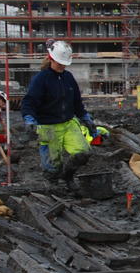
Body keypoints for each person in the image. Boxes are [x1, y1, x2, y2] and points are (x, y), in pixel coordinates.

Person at [20, 39, 94, 183]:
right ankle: (54, 187)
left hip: (68, 124)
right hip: (48, 127)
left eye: (64, 64)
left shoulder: (68, 78)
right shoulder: (41, 79)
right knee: (53, 168)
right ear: (51, 58)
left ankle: (68, 177)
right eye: (59, 63)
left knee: (83, 154)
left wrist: (85, 117)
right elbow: (29, 101)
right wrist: (29, 118)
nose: (62, 66)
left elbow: (77, 102)